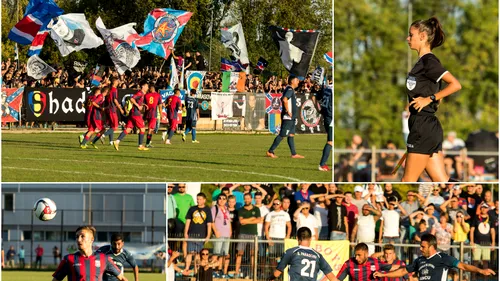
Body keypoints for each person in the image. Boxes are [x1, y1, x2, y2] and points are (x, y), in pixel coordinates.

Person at [402, 17, 462, 182]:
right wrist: (434, 96)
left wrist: (430, 98)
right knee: (442, 181)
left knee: (407, 182)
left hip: (423, 127)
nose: (408, 38)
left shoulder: (429, 61)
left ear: (422, 36)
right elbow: (434, 86)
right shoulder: (421, 62)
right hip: (425, 126)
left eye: (411, 35)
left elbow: (455, 84)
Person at [373, 234, 495, 280]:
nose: (420, 249)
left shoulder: (443, 257)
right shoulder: (419, 260)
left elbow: (463, 265)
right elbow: (402, 271)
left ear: (431, 246)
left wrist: (480, 270)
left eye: (423, 246)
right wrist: (383, 274)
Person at [52, 226, 128, 281]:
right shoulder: (68, 259)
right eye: (77, 237)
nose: (79, 240)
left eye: (82, 236)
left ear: (91, 239)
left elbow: (121, 278)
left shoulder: (104, 258)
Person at [268, 227, 338, 281]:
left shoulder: (291, 252)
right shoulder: (318, 256)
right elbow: (332, 277)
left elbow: (277, 273)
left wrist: (269, 278)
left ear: (297, 238)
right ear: (310, 239)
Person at [266, 75, 304, 159]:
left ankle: (293, 154)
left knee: (291, 135)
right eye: (297, 80)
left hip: (291, 117)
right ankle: (270, 151)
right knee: (282, 135)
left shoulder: (290, 89)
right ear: (292, 81)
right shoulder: (289, 89)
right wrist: (288, 111)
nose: (298, 82)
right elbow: (284, 99)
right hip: (288, 117)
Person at [112, 80, 149, 151]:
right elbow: (132, 99)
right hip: (136, 113)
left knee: (128, 129)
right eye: (146, 86)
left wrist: (143, 105)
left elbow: (137, 101)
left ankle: (117, 141)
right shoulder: (140, 93)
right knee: (142, 129)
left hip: (133, 112)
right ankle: (140, 145)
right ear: (143, 86)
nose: (147, 87)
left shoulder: (142, 94)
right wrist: (138, 106)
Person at [183, 193, 213, 275]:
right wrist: (186, 232)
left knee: (197, 254)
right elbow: (188, 221)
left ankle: (196, 270)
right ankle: (187, 268)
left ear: (204, 200)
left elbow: (209, 223)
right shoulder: (192, 209)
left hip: (201, 235)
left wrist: (208, 235)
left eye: (200, 199)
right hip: (191, 234)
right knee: (190, 252)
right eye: (197, 199)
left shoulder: (207, 210)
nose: (198, 201)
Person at [211, 194, 231, 278]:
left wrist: (230, 231)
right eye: (220, 198)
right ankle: (212, 269)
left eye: (224, 199)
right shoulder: (214, 208)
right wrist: (215, 231)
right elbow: (211, 221)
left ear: (226, 200)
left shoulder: (227, 209)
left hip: (226, 234)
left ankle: (220, 270)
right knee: (216, 253)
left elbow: (229, 221)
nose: (221, 200)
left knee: (224, 254)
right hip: (219, 234)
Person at [312, 84, 332, 171]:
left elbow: (313, 98)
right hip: (331, 117)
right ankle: (322, 164)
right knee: (331, 141)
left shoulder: (327, 87)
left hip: (326, 116)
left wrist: (318, 109)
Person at [101, 77, 124, 144]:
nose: (118, 82)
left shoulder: (109, 89)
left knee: (111, 126)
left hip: (108, 109)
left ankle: (111, 141)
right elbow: (115, 100)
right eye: (117, 81)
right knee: (115, 127)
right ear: (114, 82)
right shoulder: (114, 89)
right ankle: (103, 135)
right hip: (112, 109)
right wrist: (120, 108)